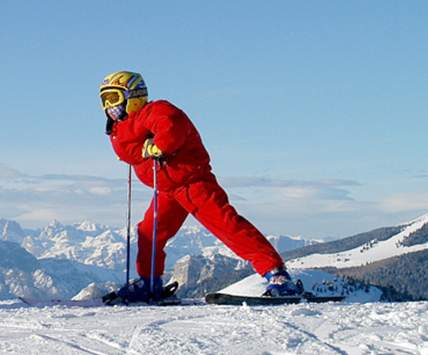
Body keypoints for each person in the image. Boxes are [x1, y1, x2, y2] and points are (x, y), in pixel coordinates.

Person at [99, 71, 300, 303]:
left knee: (228, 225)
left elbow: (172, 126)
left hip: (194, 184)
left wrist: (159, 146)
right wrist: (145, 148)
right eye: (105, 100)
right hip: (167, 190)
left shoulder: (156, 111)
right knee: (149, 232)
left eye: (113, 98)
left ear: (133, 95)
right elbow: (127, 151)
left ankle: (277, 274)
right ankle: (149, 282)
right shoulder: (120, 127)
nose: (109, 106)